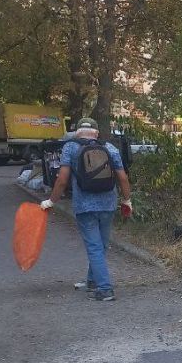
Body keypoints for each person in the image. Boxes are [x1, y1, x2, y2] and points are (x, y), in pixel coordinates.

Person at [40, 118, 132, 301]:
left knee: (94, 247)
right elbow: (122, 177)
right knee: (101, 246)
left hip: (85, 206)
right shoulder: (110, 147)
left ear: (77, 132)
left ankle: (105, 289)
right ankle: (92, 281)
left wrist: (51, 201)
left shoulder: (70, 148)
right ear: (96, 133)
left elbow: (62, 179)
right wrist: (127, 200)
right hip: (108, 204)